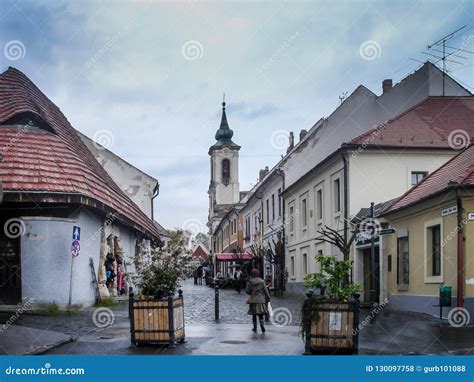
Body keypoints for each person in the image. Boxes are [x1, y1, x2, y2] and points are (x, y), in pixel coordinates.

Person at [246, 269, 271, 333]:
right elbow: (265, 291)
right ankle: (262, 326)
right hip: (261, 300)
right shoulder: (262, 281)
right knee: (261, 315)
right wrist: (268, 297)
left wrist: (251, 292)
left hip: (253, 300)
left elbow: (247, 291)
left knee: (254, 315)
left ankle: (255, 328)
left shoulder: (249, 282)